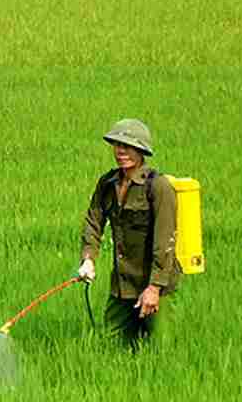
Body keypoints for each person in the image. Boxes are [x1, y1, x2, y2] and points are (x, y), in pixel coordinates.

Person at [77, 119, 181, 350]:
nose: (121, 151)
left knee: (160, 350)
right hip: (122, 284)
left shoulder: (159, 186)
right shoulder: (107, 183)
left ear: (142, 150)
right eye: (117, 145)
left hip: (155, 284)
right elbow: (93, 221)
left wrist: (154, 288)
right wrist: (88, 259)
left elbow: (165, 242)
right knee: (110, 347)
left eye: (129, 146)